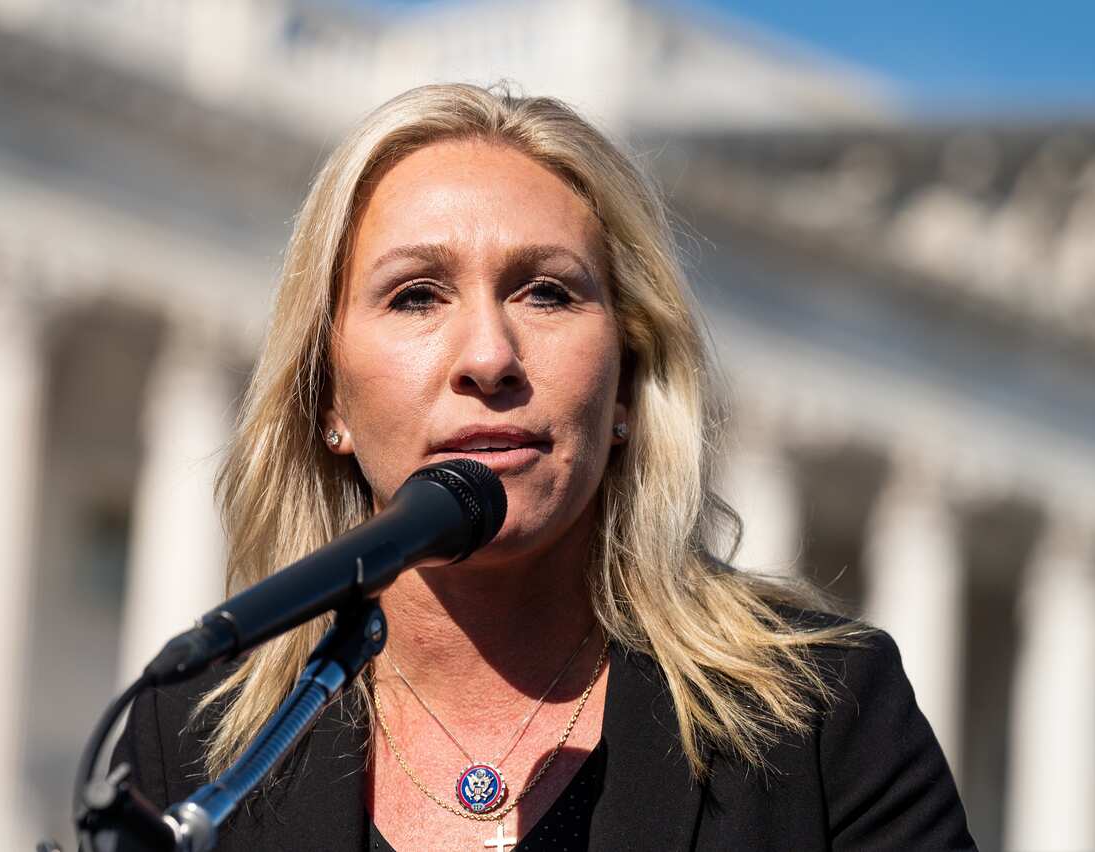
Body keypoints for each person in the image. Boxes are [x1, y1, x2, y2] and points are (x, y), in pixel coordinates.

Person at [113, 82, 975, 851]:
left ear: (630, 382)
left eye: (547, 292)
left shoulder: (821, 719)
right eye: (416, 294)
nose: (489, 356)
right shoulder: (191, 745)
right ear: (328, 399)